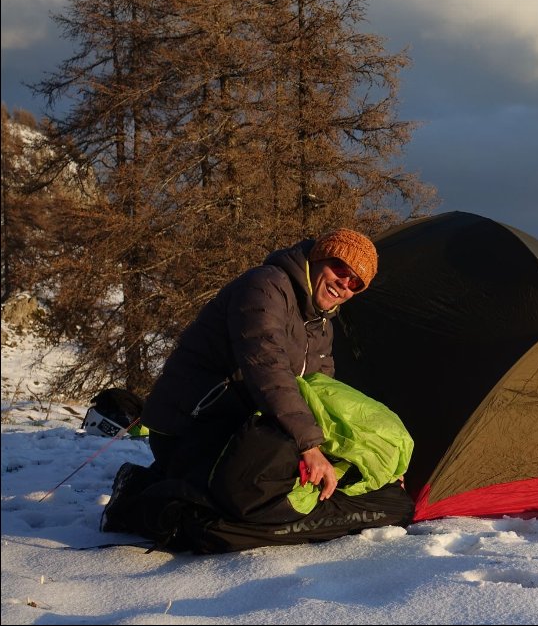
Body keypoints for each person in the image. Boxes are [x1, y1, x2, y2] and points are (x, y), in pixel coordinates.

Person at [102, 228, 415, 552]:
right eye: (340, 270)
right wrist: (309, 446)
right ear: (321, 256)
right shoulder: (265, 287)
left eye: (355, 283)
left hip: (247, 424)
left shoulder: (321, 324)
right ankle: (147, 503)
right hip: (192, 425)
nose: (344, 285)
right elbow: (268, 369)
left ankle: (177, 493)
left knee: (351, 493)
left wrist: (368, 458)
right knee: (256, 493)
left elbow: (324, 394)